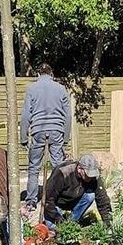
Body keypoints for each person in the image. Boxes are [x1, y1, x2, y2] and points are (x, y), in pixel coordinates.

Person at [21, 63, 73, 213]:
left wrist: (24, 137)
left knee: (34, 167)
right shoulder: (61, 88)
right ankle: (59, 199)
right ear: (52, 74)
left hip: (38, 130)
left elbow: (26, 115)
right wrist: (66, 137)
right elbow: (68, 116)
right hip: (57, 131)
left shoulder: (32, 88)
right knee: (59, 168)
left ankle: (31, 202)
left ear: (38, 74)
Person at [42, 153, 112, 229]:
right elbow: (48, 200)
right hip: (57, 204)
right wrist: (58, 219)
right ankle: (64, 222)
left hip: (74, 201)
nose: (90, 178)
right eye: (87, 174)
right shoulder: (62, 173)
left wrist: (108, 222)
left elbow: (102, 199)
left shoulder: (94, 177)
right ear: (79, 169)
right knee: (52, 227)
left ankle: (72, 222)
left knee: (90, 196)